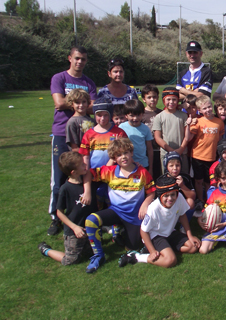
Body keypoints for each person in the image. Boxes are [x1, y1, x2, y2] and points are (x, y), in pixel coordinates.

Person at [84, 138, 155, 273]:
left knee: (132, 247)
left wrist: (145, 204)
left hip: (134, 215)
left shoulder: (142, 172)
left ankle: (119, 230)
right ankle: (98, 255)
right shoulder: (108, 171)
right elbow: (87, 173)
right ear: (114, 158)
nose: (123, 157)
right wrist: (87, 191)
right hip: (115, 211)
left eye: (126, 153)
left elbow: (151, 192)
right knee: (90, 221)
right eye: (119, 155)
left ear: (132, 153)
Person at [48, 46, 97, 236]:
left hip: (85, 135)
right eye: (77, 58)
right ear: (70, 58)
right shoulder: (59, 78)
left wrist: (81, 106)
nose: (80, 62)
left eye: (83, 59)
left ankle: (80, 213)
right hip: (62, 132)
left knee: (84, 172)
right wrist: (80, 103)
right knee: (60, 177)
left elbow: (93, 108)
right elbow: (58, 103)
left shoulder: (89, 82)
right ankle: (55, 217)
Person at [118, 175, 200, 268]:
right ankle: (136, 256)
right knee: (170, 261)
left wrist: (190, 235)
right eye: (166, 196)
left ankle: (166, 249)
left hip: (170, 232)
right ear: (160, 196)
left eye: (173, 194)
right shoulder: (153, 208)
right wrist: (152, 250)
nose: (170, 198)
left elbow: (182, 215)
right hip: (156, 236)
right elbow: (143, 231)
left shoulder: (179, 197)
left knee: (193, 247)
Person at [38, 152, 95, 265]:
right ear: (73, 172)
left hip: (88, 229)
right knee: (70, 260)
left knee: (92, 254)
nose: (85, 165)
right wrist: (74, 227)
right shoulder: (65, 189)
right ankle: (46, 250)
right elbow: (59, 213)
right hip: (74, 232)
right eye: (82, 165)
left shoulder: (87, 181)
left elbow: (90, 172)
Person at [188, 95, 225, 209]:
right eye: (204, 108)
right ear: (200, 110)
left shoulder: (219, 122)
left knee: (209, 181)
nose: (207, 110)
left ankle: (209, 199)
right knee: (198, 180)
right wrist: (189, 123)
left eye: (209, 107)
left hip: (211, 156)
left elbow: (219, 139)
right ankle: (200, 199)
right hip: (198, 155)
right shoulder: (197, 121)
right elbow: (189, 138)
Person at [152, 88, 191, 175]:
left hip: (182, 153)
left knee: (183, 177)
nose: (171, 102)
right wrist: (170, 150)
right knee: (167, 178)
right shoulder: (159, 117)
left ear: (178, 101)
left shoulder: (183, 116)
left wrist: (181, 149)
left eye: (174, 99)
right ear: (163, 100)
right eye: (168, 99)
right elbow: (157, 137)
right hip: (166, 154)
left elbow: (186, 136)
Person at [119, 99, 154, 176]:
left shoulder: (145, 129)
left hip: (143, 164)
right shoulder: (121, 128)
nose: (135, 118)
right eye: (132, 115)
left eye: (138, 115)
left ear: (143, 114)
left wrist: (151, 168)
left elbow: (150, 149)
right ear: (126, 115)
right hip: (127, 164)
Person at [141, 84, 163, 181]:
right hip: (146, 150)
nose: (152, 99)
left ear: (158, 98)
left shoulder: (162, 113)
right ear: (144, 99)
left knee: (159, 173)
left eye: (154, 97)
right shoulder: (141, 114)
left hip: (160, 149)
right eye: (149, 97)